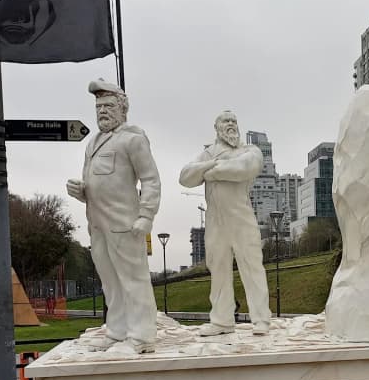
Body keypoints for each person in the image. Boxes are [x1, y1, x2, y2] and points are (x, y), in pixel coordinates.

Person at [66, 79, 161, 354]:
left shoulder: (133, 138)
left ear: (122, 109)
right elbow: (98, 183)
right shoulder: (92, 142)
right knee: (110, 280)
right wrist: (81, 191)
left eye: (108, 106)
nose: (102, 112)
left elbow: (151, 180)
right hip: (97, 224)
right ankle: (118, 331)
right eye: (98, 107)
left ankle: (142, 336)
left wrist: (146, 217)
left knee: (133, 279)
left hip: (125, 224)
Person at [179, 111, 272, 336]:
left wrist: (211, 172)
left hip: (241, 217)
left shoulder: (249, 150)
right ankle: (221, 320)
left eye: (234, 121)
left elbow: (244, 169)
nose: (230, 124)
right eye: (225, 121)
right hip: (215, 220)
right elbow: (185, 177)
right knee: (218, 267)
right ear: (217, 127)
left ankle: (261, 319)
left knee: (251, 266)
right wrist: (211, 164)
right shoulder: (208, 153)